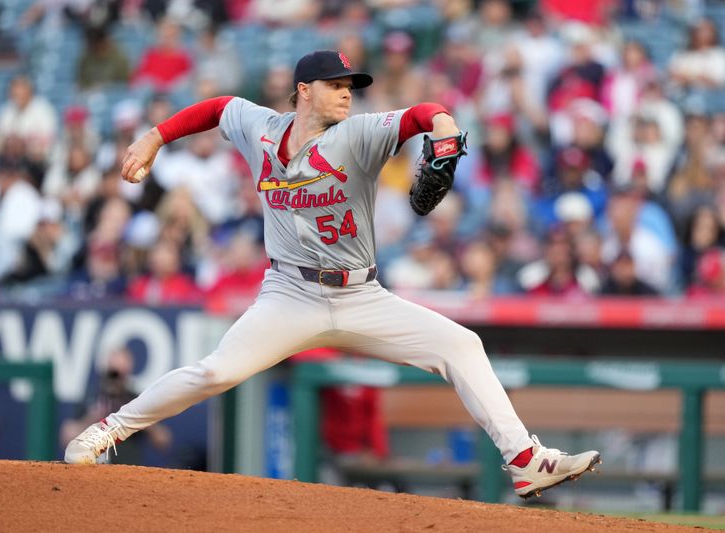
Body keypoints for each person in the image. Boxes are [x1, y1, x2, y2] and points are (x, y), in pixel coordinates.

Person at [64, 50, 600, 498]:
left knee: (461, 345)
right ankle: (106, 432)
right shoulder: (262, 129)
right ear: (303, 90)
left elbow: (418, 114)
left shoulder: (359, 135)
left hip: (361, 294)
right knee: (216, 373)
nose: (347, 93)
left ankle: (526, 460)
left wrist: (442, 123)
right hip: (289, 293)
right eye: (335, 84)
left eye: (351, 85)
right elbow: (218, 107)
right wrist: (156, 136)